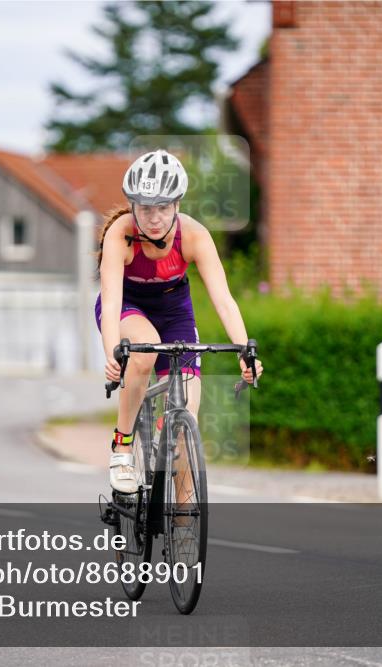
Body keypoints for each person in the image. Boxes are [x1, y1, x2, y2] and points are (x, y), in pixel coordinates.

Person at [96, 149, 263, 493]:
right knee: (143, 355)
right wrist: (113, 352)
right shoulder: (120, 234)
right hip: (129, 306)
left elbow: (224, 300)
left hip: (174, 311)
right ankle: (123, 446)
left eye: (163, 207)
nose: (154, 218)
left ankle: (184, 523)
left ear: (178, 205)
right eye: (145, 208)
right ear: (132, 206)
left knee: (188, 418)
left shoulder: (195, 236)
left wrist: (245, 352)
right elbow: (111, 300)